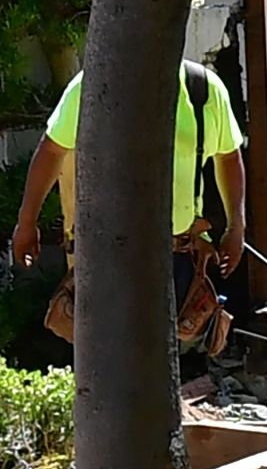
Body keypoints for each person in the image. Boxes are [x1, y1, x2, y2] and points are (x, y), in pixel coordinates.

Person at [10, 59, 248, 353]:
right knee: (110, 357)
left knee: (158, 359)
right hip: (108, 254)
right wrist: (27, 221)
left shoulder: (203, 89)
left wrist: (237, 225)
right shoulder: (92, 84)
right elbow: (52, 149)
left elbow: (229, 156)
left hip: (177, 254)